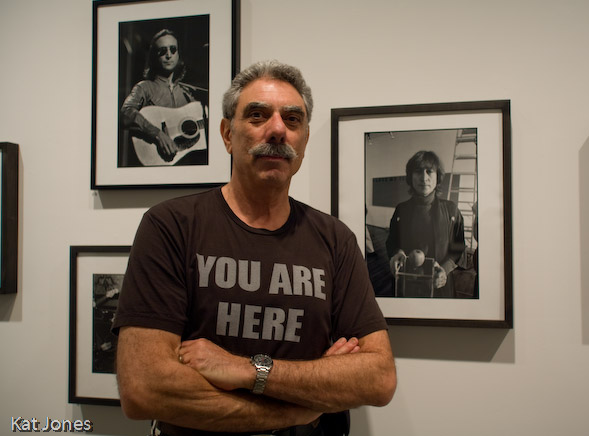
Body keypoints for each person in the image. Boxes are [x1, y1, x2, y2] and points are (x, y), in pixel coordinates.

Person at [112, 60, 397, 436]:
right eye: (258, 115)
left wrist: (248, 369)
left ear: (305, 140)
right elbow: (145, 389)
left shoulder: (335, 239)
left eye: (292, 120)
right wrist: (297, 410)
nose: (277, 129)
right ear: (227, 134)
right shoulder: (171, 227)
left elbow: (377, 378)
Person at [120, 28, 207, 166]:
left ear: (178, 54)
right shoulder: (144, 87)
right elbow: (126, 113)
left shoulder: (187, 93)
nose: (168, 55)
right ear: (154, 56)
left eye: (173, 49)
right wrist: (157, 134)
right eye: (162, 51)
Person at [386, 150, 466, 298]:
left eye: (429, 171)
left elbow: (458, 247)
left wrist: (444, 270)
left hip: (440, 284)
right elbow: (392, 241)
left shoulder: (451, 210)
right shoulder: (401, 210)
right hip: (406, 283)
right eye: (418, 171)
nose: (424, 178)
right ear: (410, 177)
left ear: (438, 176)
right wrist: (397, 253)